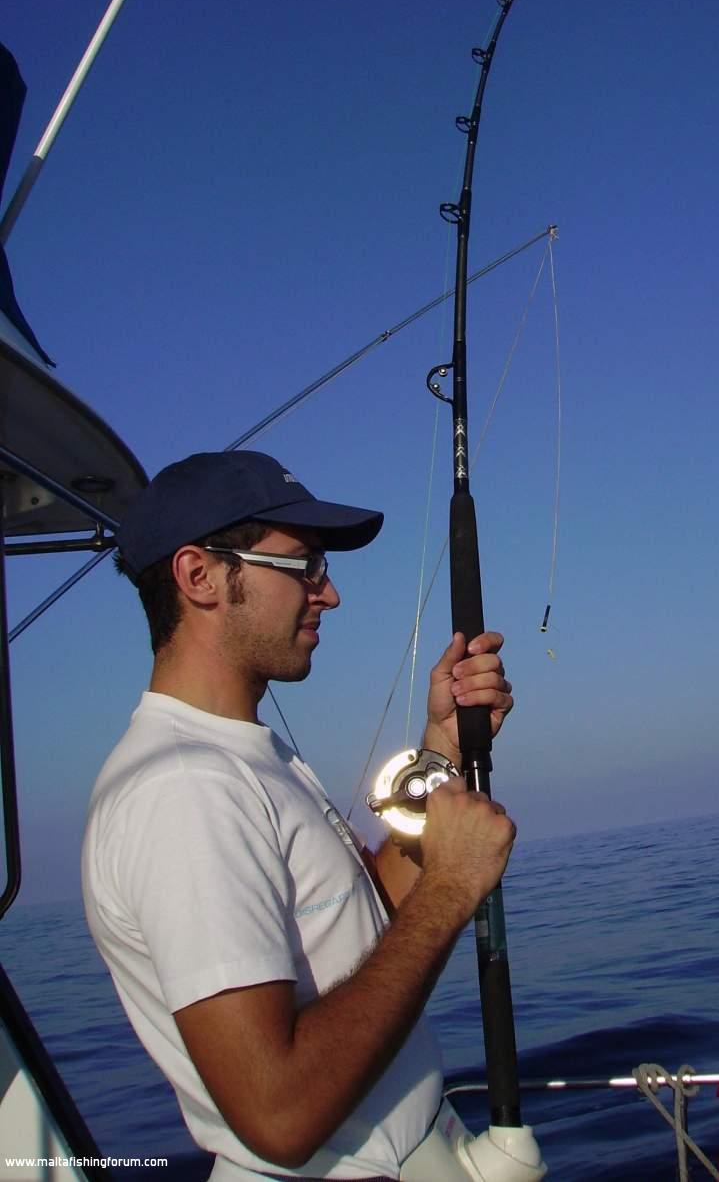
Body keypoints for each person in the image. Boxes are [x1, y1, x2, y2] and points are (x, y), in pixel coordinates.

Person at [82, 450, 516, 1182]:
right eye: (304, 566)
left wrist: (440, 747)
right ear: (200, 576)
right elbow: (279, 1115)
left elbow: (353, 926)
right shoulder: (186, 792)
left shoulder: (244, 757)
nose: (331, 593)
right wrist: (450, 890)